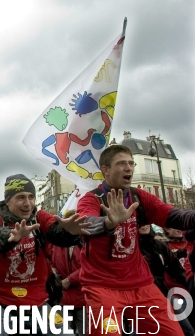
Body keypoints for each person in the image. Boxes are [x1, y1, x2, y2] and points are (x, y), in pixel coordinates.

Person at [77, 144, 195, 335]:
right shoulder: (91, 199)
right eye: (122, 163)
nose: (129, 168)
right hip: (102, 287)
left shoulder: (138, 196)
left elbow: (174, 215)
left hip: (141, 285)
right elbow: (86, 223)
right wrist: (108, 222)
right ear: (105, 170)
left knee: (174, 333)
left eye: (131, 163)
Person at [0, 174, 89, 335]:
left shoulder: (39, 217)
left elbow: (56, 233)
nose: (28, 203)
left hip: (37, 300)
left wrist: (70, 232)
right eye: (21, 197)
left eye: (31, 197)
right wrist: (11, 234)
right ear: (7, 201)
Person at [138, 225, 194, 336]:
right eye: (139, 222)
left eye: (146, 222)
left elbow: (176, 269)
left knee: (187, 331)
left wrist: (187, 287)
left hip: (164, 295)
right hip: (140, 298)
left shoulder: (159, 245)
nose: (143, 225)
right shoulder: (130, 249)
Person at [48, 210, 86, 336]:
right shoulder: (57, 243)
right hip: (62, 299)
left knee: (85, 332)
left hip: (83, 298)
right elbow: (50, 260)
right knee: (62, 331)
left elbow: (89, 266)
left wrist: (70, 280)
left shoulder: (86, 242)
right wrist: (52, 270)